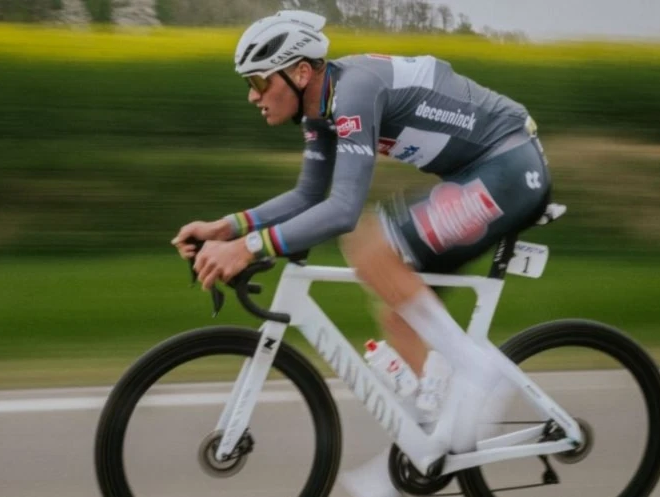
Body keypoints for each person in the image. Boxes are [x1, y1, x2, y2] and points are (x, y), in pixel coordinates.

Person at [171, 10, 552, 497]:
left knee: (369, 247)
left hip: (509, 166)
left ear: (300, 72)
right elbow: (309, 196)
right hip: (480, 174)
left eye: (260, 81)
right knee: (398, 313)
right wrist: (227, 227)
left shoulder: (353, 91)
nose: (253, 95)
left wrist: (246, 250)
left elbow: (342, 211)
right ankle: (428, 451)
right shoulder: (321, 106)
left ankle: (480, 375)